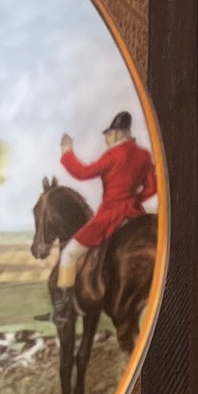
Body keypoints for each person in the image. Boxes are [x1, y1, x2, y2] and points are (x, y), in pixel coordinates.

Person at [54, 112, 157, 322]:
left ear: (117, 133)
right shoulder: (144, 155)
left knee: (69, 254)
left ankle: (62, 309)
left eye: (108, 135)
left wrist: (67, 152)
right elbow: (153, 186)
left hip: (110, 216)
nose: (106, 139)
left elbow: (83, 173)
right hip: (134, 214)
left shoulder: (113, 154)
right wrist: (134, 199)